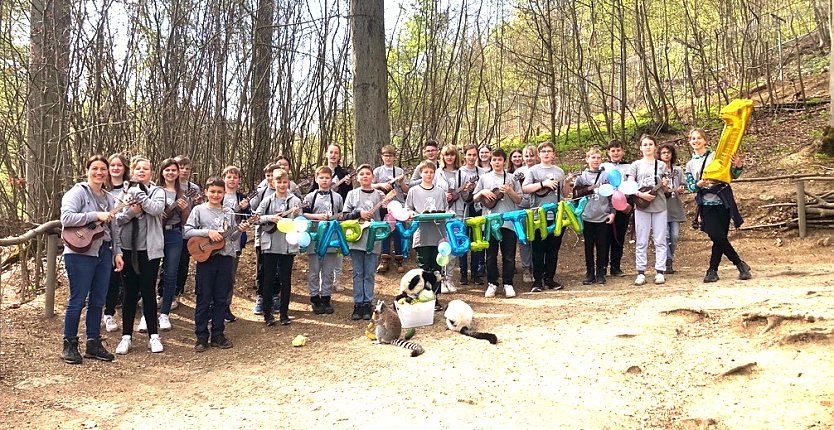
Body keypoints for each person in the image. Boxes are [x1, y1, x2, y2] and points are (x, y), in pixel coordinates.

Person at [60, 155, 125, 364]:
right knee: (77, 300)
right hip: (79, 253)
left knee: (99, 300)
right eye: (95, 169)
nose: (99, 173)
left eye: (103, 169)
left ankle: (93, 343)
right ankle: (69, 344)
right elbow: (66, 218)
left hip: (103, 252)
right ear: (87, 170)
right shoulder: (78, 192)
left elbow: (114, 228)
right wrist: (95, 215)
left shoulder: (109, 198)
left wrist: (118, 252)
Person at [685, 128, 751, 282]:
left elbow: (732, 175)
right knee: (716, 235)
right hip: (706, 204)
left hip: (723, 201)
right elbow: (690, 187)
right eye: (693, 138)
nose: (696, 141)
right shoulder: (689, 164)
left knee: (719, 237)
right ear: (690, 142)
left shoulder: (716, 156)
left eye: (699, 138)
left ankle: (712, 271)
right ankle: (740, 264)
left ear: (705, 140)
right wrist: (699, 184)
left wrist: (738, 165)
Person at [114, 156, 166, 355]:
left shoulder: (157, 191)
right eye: (138, 169)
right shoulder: (123, 194)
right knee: (129, 293)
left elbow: (156, 209)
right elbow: (116, 219)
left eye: (146, 169)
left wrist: (139, 194)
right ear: (132, 172)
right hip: (127, 250)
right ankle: (126, 336)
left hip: (150, 250)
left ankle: (154, 335)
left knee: (148, 292)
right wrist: (131, 212)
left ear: (151, 173)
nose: (142, 171)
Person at [183, 177, 242, 351]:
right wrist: (208, 232)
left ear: (224, 193)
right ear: (206, 192)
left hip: (225, 258)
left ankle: (218, 334)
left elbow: (231, 237)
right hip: (206, 259)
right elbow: (187, 231)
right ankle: (201, 336)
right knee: (204, 297)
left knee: (221, 297)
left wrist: (240, 229)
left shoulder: (228, 211)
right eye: (212, 191)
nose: (216, 195)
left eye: (219, 192)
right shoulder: (199, 210)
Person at [522, 141, 574, 292]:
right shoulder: (533, 171)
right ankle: (537, 281)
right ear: (539, 154)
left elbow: (564, 194)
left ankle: (549, 278)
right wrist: (543, 184)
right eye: (543, 151)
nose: (546, 153)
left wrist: (568, 182)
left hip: (556, 215)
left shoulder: (559, 171)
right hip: (538, 216)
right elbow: (525, 188)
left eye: (549, 151)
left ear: (554, 154)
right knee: (538, 248)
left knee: (553, 248)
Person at [254, 168, 301, 326]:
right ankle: (268, 314)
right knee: (268, 279)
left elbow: (300, 222)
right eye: (278, 182)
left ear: (289, 183)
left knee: (285, 280)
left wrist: (295, 214)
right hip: (270, 245)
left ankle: (284, 313)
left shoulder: (294, 200)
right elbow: (256, 218)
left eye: (284, 182)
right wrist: (270, 218)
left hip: (288, 246)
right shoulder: (267, 200)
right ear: (273, 182)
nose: (282, 185)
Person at [343, 164, 391, 320]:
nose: (365, 176)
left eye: (368, 174)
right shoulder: (352, 194)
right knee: (358, 273)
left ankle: (368, 303)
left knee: (369, 273)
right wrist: (359, 213)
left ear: (373, 177)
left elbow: (383, 215)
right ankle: (358, 304)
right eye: (361, 174)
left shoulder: (378, 195)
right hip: (356, 239)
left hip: (373, 239)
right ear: (357, 177)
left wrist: (385, 207)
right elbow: (345, 215)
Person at [474, 148, 522, 298]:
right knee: (490, 255)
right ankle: (492, 283)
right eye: (494, 160)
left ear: (504, 161)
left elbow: (519, 199)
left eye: (499, 160)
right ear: (490, 161)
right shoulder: (484, 178)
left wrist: (510, 191)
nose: (496, 162)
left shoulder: (512, 177)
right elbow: (474, 198)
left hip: (508, 222)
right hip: (489, 222)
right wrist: (482, 192)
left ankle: (508, 283)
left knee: (509, 255)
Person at [627, 135, 670, 286]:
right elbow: (629, 186)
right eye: (645, 144)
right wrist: (640, 194)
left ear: (655, 147)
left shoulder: (662, 165)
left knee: (660, 239)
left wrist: (664, 184)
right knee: (641, 240)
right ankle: (640, 271)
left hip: (659, 206)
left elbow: (665, 189)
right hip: (641, 206)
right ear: (641, 148)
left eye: (651, 144)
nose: (648, 147)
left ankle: (660, 271)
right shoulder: (635, 165)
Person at [406, 160, 449, 311]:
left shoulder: (439, 192)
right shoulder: (413, 191)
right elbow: (408, 209)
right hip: (421, 236)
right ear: (421, 173)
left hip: (438, 236)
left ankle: (435, 298)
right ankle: (423, 297)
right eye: (426, 172)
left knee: (437, 268)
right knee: (423, 268)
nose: (428, 174)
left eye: (431, 172)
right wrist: (413, 214)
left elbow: (445, 210)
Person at [302, 166, 344, 315]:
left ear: (331, 179)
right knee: (314, 270)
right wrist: (317, 217)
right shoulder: (310, 197)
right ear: (316, 178)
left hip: (331, 237)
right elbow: (304, 214)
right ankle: (315, 297)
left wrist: (338, 217)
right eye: (322, 178)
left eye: (327, 178)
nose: (324, 180)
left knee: (328, 270)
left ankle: (326, 297)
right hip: (314, 236)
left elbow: (341, 214)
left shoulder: (337, 197)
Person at [311, 145, 352, 291]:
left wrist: (347, 184)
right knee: (320, 249)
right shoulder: (320, 171)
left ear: (340, 156)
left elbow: (347, 196)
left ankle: (337, 279)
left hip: (336, 214)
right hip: (320, 221)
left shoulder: (343, 173)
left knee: (337, 247)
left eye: (336, 153)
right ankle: (320, 283)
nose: (333, 155)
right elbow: (312, 192)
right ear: (326, 154)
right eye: (331, 152)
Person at [156, 158, 189, 331]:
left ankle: (165, 313)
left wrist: (184, 209)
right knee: (152, 272)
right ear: (162, 172)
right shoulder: (154, 190)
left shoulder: (182, 193)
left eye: (173, 170)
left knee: (170, 273)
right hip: (155, 234)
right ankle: (149, 314)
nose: (170, 173)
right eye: (167, 170)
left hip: (174, 234)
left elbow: (186, 221)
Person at [574, 148, 615, 285]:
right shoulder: (581, 177)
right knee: (589, 246)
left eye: (598, 157)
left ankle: (601, 272)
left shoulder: (606, 176)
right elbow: (575, 195)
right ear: (587, 159)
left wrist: (612, 212)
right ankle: (589, 272)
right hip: (587, 216)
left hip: (602, 215)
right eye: (593, 157)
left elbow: (612, 196)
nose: (596, 160)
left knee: (602, 245)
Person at [372, 144, 409, 274]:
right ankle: (384, 258)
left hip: (398, 205)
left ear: (394, 157)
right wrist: (381, 185)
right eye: (385, 155)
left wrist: (401, 182)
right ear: (382, 157)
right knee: (384, 231)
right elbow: (370, 185)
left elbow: (406, 190)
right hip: (382, 206)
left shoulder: (399, 171)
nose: (388, 158)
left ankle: (399, 258)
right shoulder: (377, 171)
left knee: (398, 231)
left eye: (390, 156)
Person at [103, 153, 129, 333]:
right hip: (106, 238)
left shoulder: (130, 189)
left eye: (120, 165)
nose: (116, 168)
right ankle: (108, 313)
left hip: (128, 239)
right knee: (110, 278)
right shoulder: (102, 189)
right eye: (112, 165)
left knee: (126, 278)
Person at [221, 165, 251, 322]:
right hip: (216, 241)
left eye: (235, 177)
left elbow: (248, 218)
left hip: (235, 241)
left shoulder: (242, 198)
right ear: (224, 178)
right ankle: (214, 306)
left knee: (230, 276)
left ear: (239, 180)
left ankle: (226, 307)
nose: (232, 180)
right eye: (229, 176)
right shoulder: (217, 194)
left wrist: (245, 210)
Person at [250, 162, 279, 315]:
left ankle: (275, 296)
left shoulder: (287, 193)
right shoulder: (260, 192)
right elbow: (252, 215)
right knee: (262, 269)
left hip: (281, 238)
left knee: (278, 270)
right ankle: (261, 297)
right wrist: (268, 218)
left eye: (272, 176)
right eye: (267, 175)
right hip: (262, 236)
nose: (270, 179)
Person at [600, 140, 632, 277]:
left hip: (623, 204)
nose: (616, 153)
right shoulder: (603, 166)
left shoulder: (629, 166)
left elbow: (632, 186)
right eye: (613, 151)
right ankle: (602, 266)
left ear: (623, 151)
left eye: (618, 150)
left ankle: (615, 267)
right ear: (608, 152)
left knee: (619, 237)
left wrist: (629, 204)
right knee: (604, 237)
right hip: (606, 206)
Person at [173, 155, 202, 302]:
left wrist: (198, 203)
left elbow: (198, 211)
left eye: (187, 168)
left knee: (183, 261)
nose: (184, 171)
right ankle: (163, 292)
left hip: (187, 229)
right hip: (169, 227)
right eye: (181, 167)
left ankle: (178, 291)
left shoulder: (194, 188)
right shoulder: (170, 184)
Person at [457, 144, 485, 286]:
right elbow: (456, 194)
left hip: (478, 209)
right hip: (463, 209)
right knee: (463, 240)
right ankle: (463, 273)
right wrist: (466, 191)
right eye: (469, 155)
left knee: (476, 240)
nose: (472, 158)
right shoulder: (460, 172)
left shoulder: (482, 172)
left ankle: (475, 273)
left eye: (474, 155)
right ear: (465, 156)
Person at [438, 144, 463, 293]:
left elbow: (467, 198)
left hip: (457, 213)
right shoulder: (437, 173)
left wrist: (466, 190)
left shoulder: (462, 173)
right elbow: (432, 192)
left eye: (452, 155)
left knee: (453, 247)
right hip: (441, 214)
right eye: (447, 155)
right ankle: (440, 279)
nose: (449, 158)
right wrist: (443, 196)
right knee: (442, 247)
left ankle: (450, 278)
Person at [658, 143, 686, 274]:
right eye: (663, 153)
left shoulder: (678, 170)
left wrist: (680, 189)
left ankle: (670, 257)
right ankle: (667, 261)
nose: (666, 155)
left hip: (675, 205)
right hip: (661, 206)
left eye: (668, 152)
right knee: (665, 235)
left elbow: (683, 185)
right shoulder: (657, 170)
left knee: (674, 235)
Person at [515, 145, 538, 283]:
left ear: (536, 156)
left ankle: (537, 267)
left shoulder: (539, 170)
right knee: (523, 240)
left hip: (537, 208)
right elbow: (518, 192)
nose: (529, 158)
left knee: (536, 239)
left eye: (531, 155)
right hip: (522, 208)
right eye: (526, 156)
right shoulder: (519, 172)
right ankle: (526, 269)